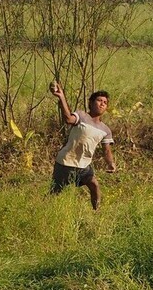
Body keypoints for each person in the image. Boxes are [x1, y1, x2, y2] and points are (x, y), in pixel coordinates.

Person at [49, 82, 116, 210]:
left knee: (94, 185)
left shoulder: (105, 130)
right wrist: (61, 96)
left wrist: (111, 163)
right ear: (91, 103)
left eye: (105, 102)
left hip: (84, 165)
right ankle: (43, 211)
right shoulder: (82, 116)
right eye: (99, 100)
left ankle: (96, 212)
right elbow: (68, 119)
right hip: (66, 162)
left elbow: (106, 150)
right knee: (55, 193)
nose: (102, 104)